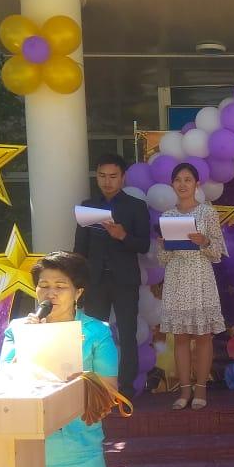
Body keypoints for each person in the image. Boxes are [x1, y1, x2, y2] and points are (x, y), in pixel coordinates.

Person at [0, 251, 115, 467]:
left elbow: (110, 392)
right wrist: (28, 345)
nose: (50, 293)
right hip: (29, 452)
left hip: (78, 451)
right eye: (43, 285)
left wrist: (79, 376)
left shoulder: (96, 332)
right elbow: (4, 381)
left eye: (60, 286)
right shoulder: (18, 330)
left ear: (78, 292)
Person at [74, 153, 151, 401]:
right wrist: (78, 282)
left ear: (123, 177)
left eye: (113, 176)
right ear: (97, 177)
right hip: (94, 281)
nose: (107, 182)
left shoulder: (135, 206)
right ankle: (94, 390)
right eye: (102, 176)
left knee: (127, 335)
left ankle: (126, 390)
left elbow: (144, 245)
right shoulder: (88, 206)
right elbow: (79, 248)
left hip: (125, 280)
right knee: (92, 335)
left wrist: (123, 236)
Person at [156, 162, 228, 410]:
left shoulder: (207, 213)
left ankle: (201, 390)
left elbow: (217, 252)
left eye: (187, 179)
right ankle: (184, 391)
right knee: (180, 337)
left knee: (204, 336)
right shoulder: (167, 216)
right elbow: (163, 259)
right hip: (176, 279)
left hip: (200, 278)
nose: (182, 184)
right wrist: (163, 246)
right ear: (172, 184)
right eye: (178, 180)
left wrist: (204, 241)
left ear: (197, 184)